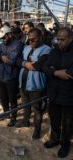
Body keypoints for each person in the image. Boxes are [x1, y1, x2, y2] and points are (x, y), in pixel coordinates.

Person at [43, 27, 73, 158]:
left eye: (63, 39)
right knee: (54, 119)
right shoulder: (54, 51)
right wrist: (56, 72)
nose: (59, 42)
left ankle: (65, 144)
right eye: (58, 39)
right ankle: (55, 139)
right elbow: (45, 67)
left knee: (67, 123)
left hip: (69, 96)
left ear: (71, 39)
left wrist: (55, 70)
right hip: (53, 93)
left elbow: (70, 74)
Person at [16, 28, 51, 139]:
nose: (31, 42)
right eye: (29, 39)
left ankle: (37, 130)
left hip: (36, 86)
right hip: (23, 83)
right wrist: (27, 63)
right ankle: (25, 121)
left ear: (41, 37)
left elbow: (40, 65)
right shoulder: (26, 48)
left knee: (37, 109)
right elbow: (17, 60)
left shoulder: (47, 49)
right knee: (25, 106)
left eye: (34, 39)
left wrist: (25, 63)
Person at [0, 25, 23, 127]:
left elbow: (11, 60)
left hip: (11, 76)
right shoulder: (2, 44)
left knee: (12, 98)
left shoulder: (18, 44)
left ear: (10, 34)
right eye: (1, 38)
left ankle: (13, 117)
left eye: (4, 37)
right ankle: (6, 113)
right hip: (2, 74)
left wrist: (1, 56)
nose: (3, 39)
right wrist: (2, 56)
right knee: (3, 97)